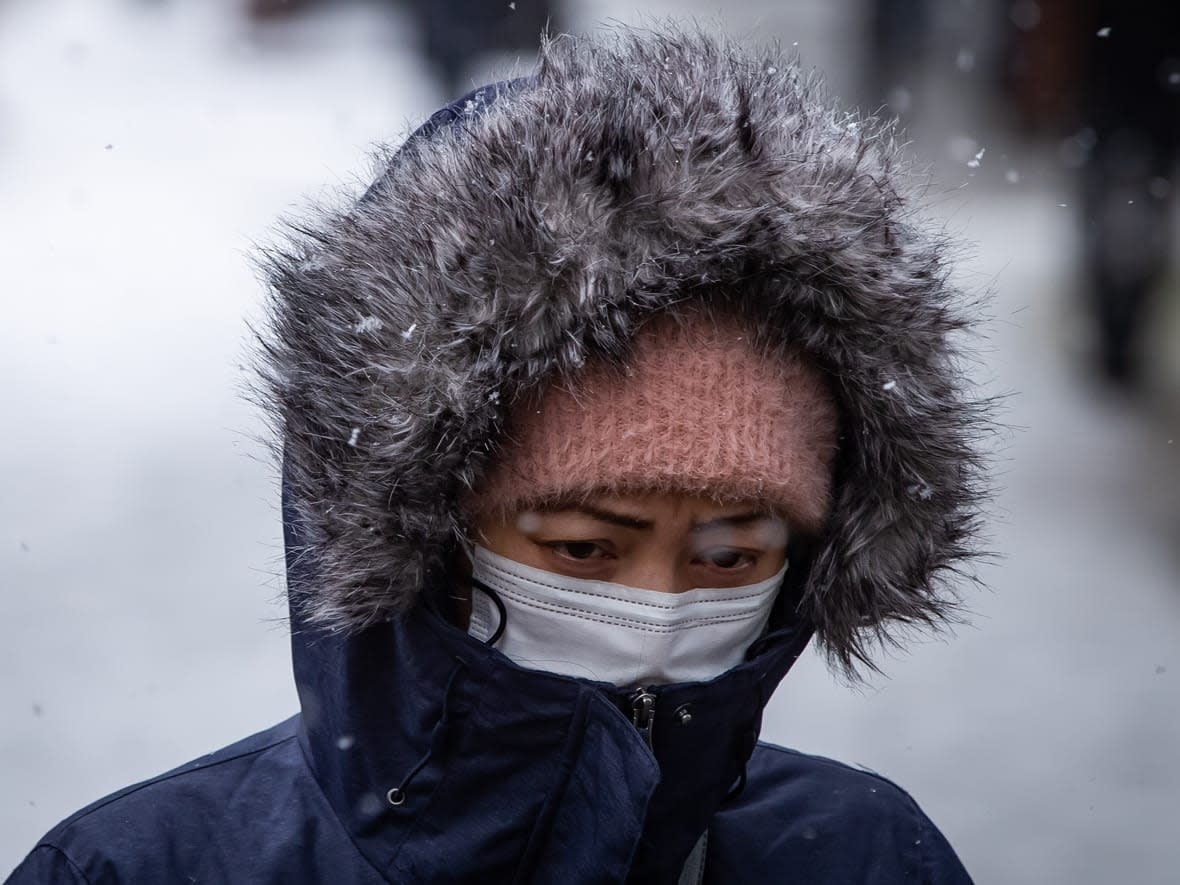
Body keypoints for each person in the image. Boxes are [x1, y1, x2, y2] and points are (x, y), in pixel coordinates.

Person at [6, 24, 989, 884]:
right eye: (583, 549)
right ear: (436, 533)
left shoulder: (865, 855)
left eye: (728, 558)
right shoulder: (141, 868)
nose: (655, 618)